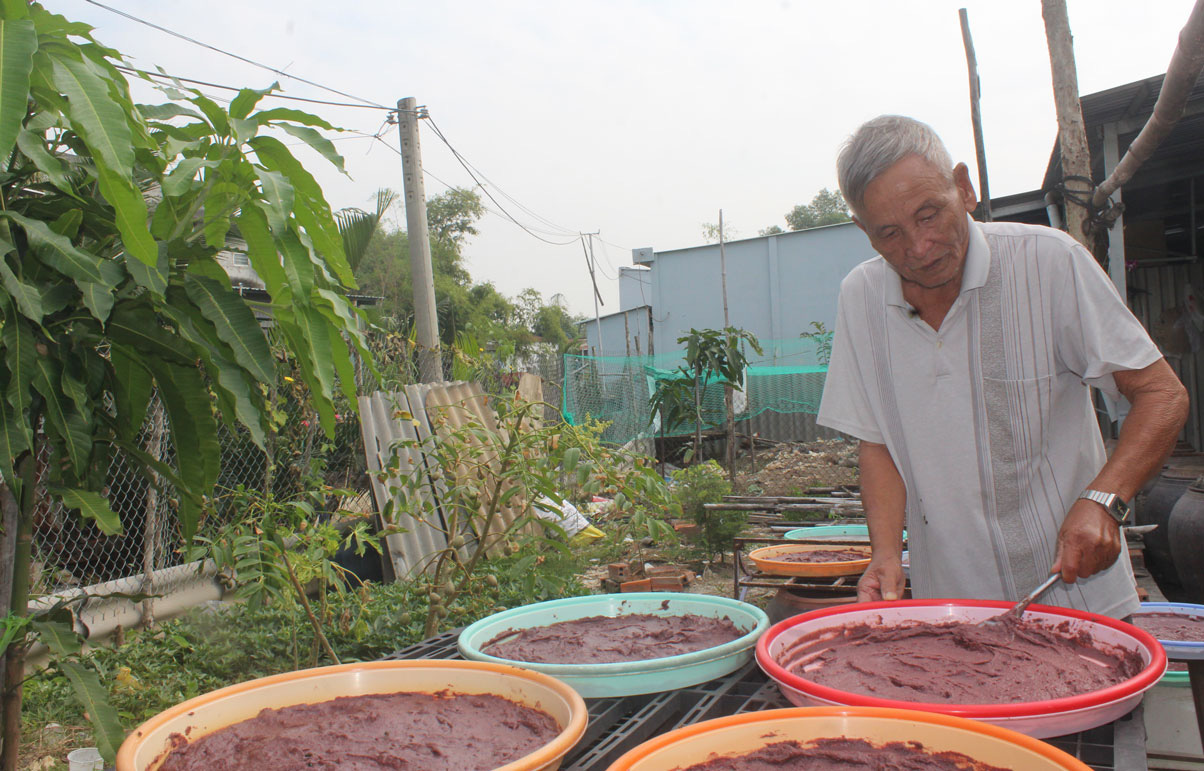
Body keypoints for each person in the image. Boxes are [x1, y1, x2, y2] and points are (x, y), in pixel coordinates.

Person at [816, 115, 1189, 619]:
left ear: (964, 188)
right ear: (863, 231)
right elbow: (878, 442)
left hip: (1076, 596)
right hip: (948, 610)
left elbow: (1162, 395)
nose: (919, 248)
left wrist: (1105, 500)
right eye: (890, 233)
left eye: (929, 215)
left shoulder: (1049, 262)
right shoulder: (860, 298)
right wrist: (885, 554)